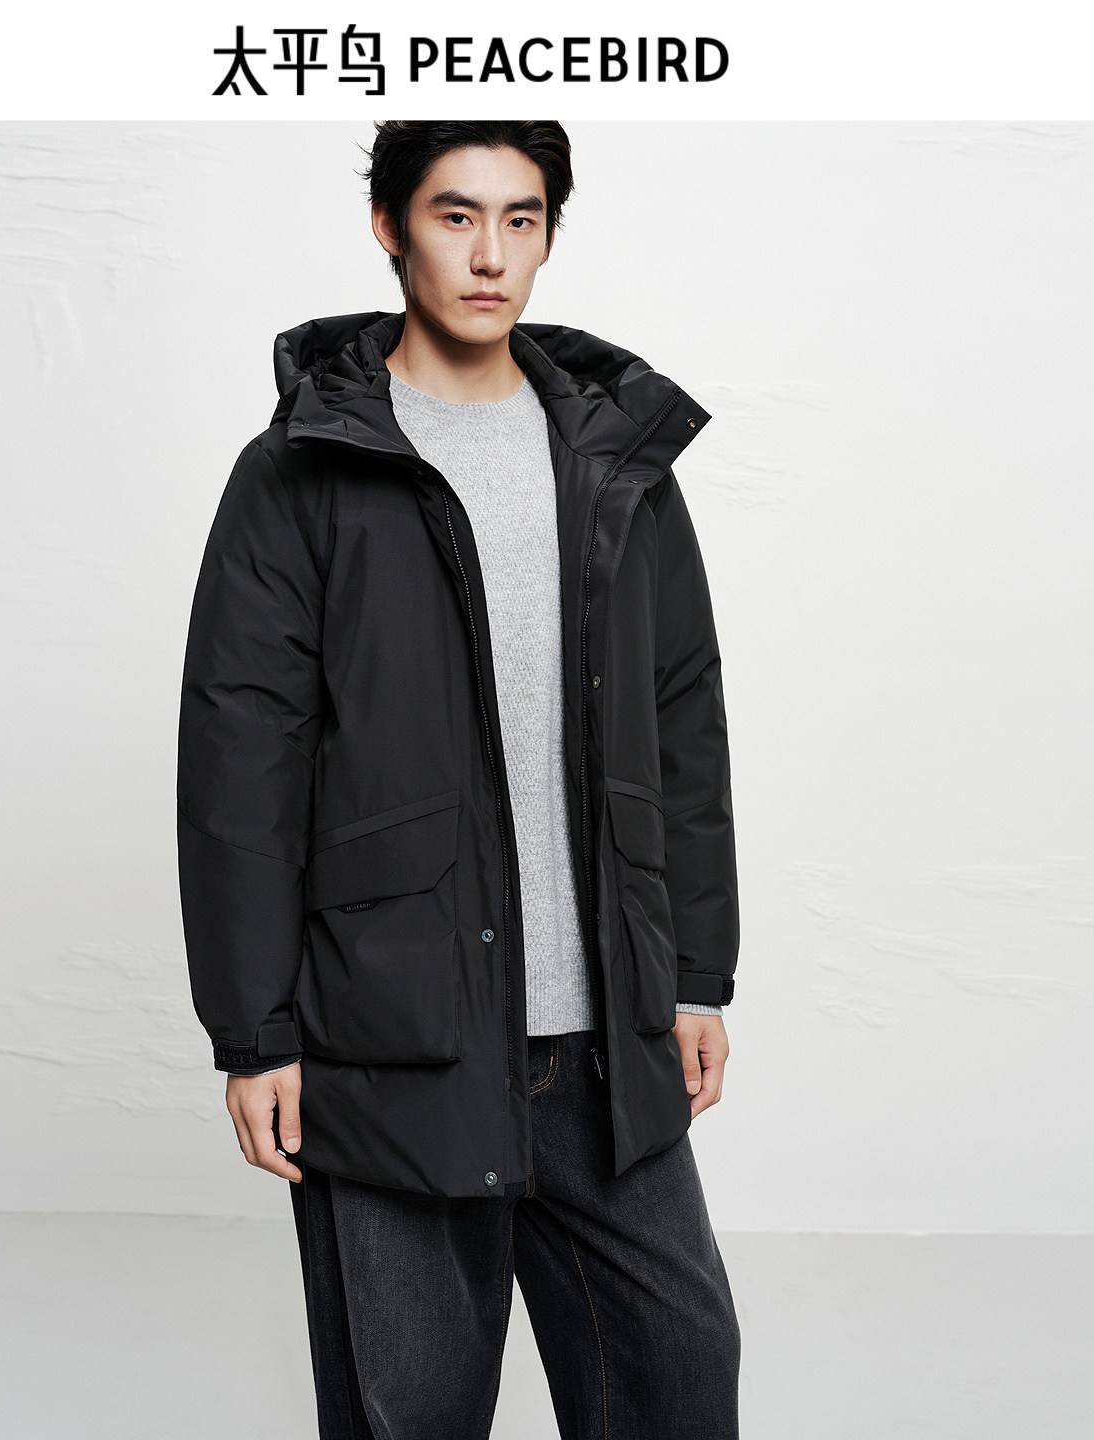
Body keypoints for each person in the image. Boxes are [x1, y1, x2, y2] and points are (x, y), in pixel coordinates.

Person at [177, 120, 741, 1439]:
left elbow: (684, 718)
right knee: (411, 1410)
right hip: (391, 1040)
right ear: (390, 227)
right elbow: (240, 761)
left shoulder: (617, 460)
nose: (491, 255)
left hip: (605, 1041)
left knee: (677, 1376)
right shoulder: (302, 471)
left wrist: (695, 974)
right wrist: (256, 1034)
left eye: (521, 219)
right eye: (455, 215)